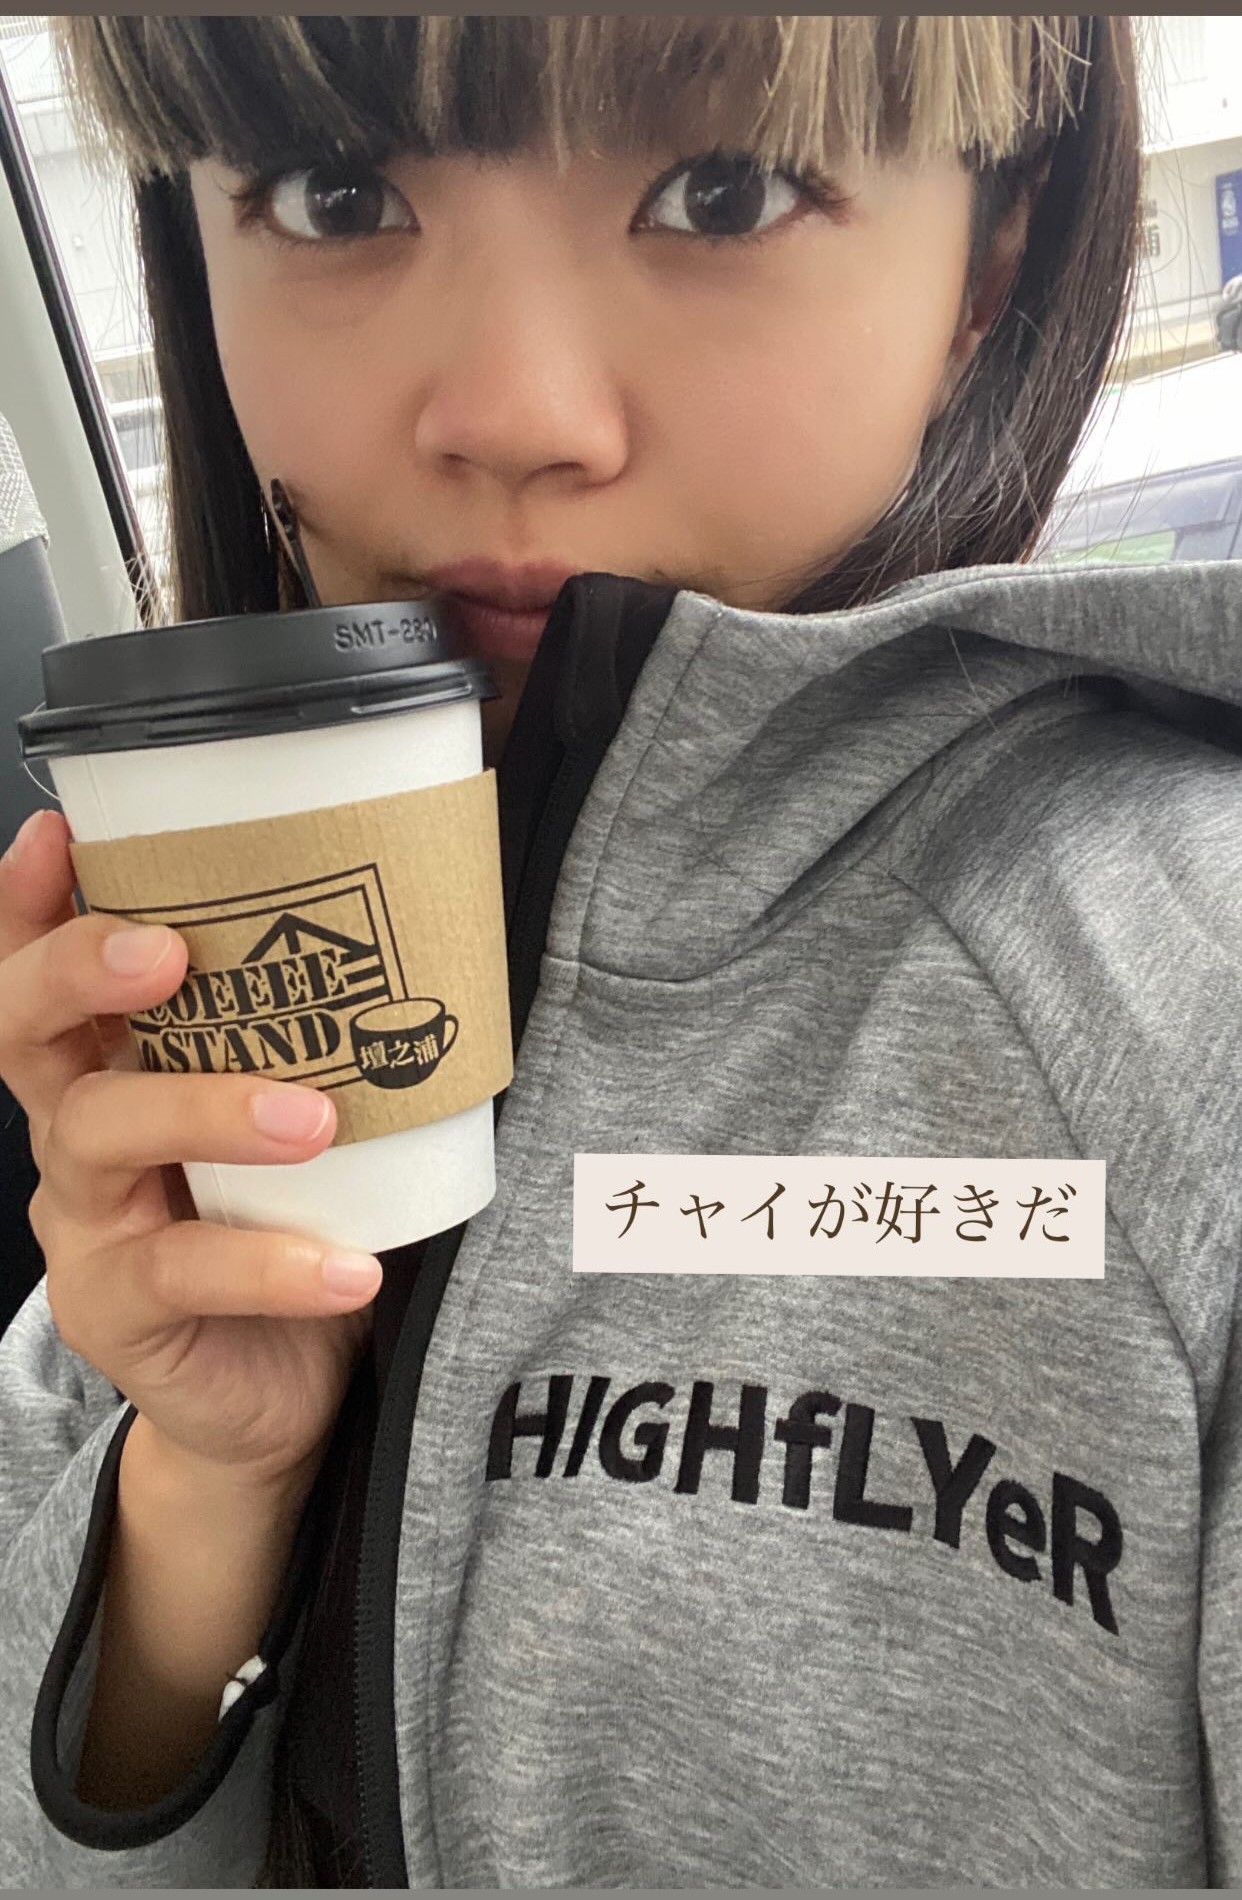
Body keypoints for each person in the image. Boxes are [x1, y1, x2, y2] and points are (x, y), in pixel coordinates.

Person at [0, 14, 1239, 1889]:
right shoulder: (194, 961)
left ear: (988, 259)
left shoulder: (1176, 1029)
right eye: (336, 194)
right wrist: (201, 1484)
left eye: (722, 193)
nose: (512, 411)